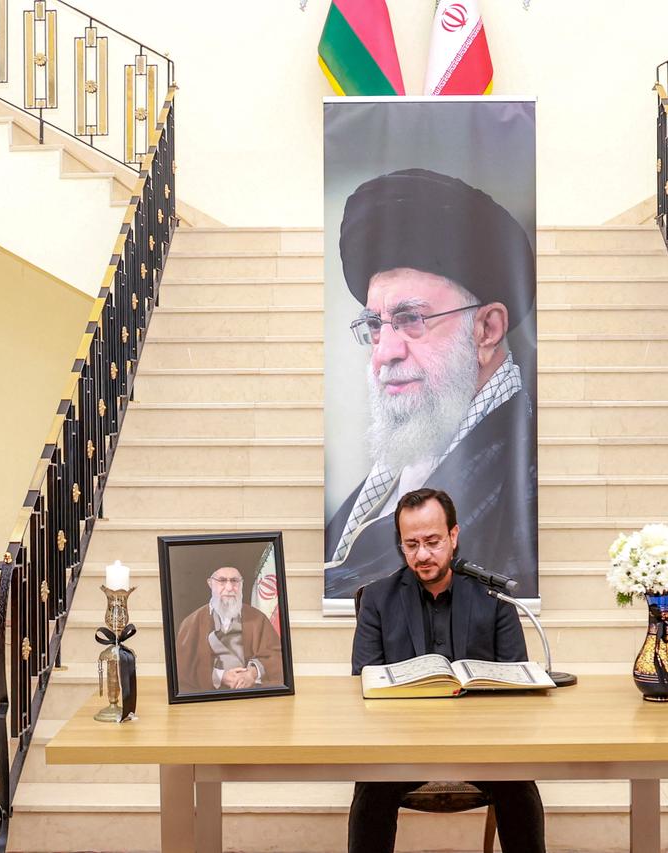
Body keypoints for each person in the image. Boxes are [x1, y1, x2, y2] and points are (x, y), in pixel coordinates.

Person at [324, 168, 538, 601]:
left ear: (487, 329)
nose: (385, 352)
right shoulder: (406, 458)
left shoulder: (526, 470)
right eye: (375, 326)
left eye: (410, 320)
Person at [348, 488, 545, 853]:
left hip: (483, 743)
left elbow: (517, 680)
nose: (422, 555)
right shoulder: (377, 599)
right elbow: (365, 679)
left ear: (454, 536)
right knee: (371, 783)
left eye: (433, 541)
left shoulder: (494, 597)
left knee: (517, 782)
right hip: (400, 744)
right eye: (411, 544)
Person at [174, 565, 283, 693]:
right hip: (210, 695)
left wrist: (252, 673)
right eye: (222, 581)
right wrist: (221, 677)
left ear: (241, 584)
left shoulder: (257, 618)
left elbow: (276, 656)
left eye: (234, 581)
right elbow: (182, 668)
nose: (229, 588)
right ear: (210, 583)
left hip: (250, 691)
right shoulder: (191, 623)